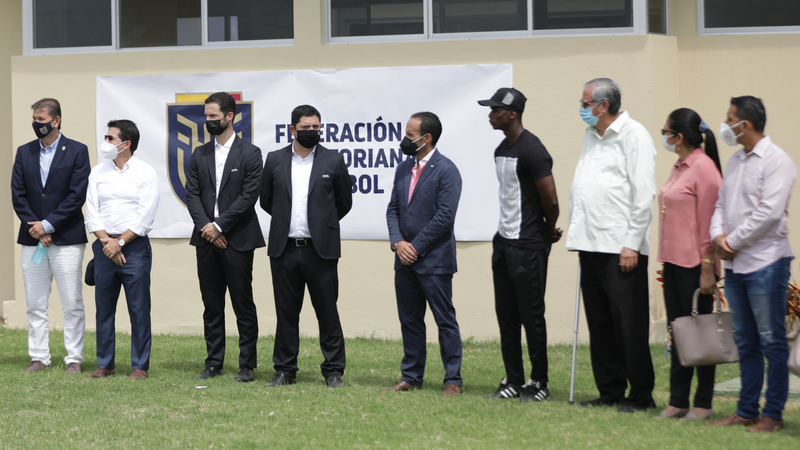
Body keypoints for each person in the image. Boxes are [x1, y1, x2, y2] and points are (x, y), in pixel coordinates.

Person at [565, 78, 657, 412]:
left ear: (603, 106)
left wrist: (632, 243)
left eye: (585, 103)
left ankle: (641, 395)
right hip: (590, 243)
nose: (582, 108)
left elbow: (644, 193)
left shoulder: (635, 135)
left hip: (621, 248)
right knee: (600, 323)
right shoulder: (591, 135)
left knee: (628, 324)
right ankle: (610, 390)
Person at [710, 96, 796, 433]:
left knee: (771, 340)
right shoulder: (735, 161)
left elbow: (769, 212)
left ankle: (772, 414)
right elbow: (720, 204)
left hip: (766, 263)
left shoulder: (777, 161)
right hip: (735, 266)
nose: (725, 124)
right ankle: (746, 410)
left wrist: (731, 241)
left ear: (743, 124)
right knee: (745, 340)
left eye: (728, 118)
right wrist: (719, 237)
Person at [259, 105, 353, 388]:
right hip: (284, 250)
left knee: (327, 311)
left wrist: (322, 223)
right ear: (292, 129)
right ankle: (285, 370)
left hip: (320, 250)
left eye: (316, 127)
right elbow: (266, 200)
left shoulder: (333, 160)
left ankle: (334, 370)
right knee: (286, 312)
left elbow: (343, 202)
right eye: (306, 127)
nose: (312, 132)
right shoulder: (275, 160)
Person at [477, 88, 561, 402]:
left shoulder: (533, 150)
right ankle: (513, 378)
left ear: (512, 114)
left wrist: (549, 229)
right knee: (507, 314)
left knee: (531, 315)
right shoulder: (501, 149)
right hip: (504, 243)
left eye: (495, 109)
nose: (490, 114)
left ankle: (539, 381)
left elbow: (550, 200)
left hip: (528, 246)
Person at [185, 92, 265, 383]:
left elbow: (248, 197)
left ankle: (247, 365)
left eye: (213, 117)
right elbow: (191, 193)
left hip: (238, 239)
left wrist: (219, 226)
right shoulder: (199, 154)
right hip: (205, 239)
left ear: (229, 116)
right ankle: (213, 362)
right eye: (206, 116)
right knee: (212, 304)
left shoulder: (251, 153)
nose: (208, 121)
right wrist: (207, 227)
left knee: (243, 303)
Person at [383, 112, 464, 397]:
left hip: (434, 261)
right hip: (403, 260)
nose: (404, 139)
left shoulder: (446, 170)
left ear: (425, 138)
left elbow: (444, 217)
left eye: (409, 134)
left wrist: (414, 247)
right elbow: (393, 209)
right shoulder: (403, 168)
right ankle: (411, 376)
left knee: (445, 320)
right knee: (410, 320)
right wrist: (397, 243)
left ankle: (453, 379)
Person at [11, 98, 91, 374]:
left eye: (42, 120)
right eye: (34, 119)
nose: (37, 124)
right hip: (32, 238)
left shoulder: (78, 151)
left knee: (72, 302)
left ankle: (73, 359)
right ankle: (39, 357)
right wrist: (37, 226)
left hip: (67, 238)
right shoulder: (24, 152)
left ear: (56, 121)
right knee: (34, 302)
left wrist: (48, 225)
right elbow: (18, 194)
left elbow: (77, 195)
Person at [656, 108, 723, 420]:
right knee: (679, 332)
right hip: (673, 264)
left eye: (666, 132)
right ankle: (677, 400)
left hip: (696, 267)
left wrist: (708, 269)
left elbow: (711, 222)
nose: (664, 137)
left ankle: (703, 403)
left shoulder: (704, 169)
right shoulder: (679, 166)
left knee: (701, 334)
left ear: (678, 137)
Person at [84, 119, 160, 380]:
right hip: (104, 248)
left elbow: (145, 217)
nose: (105, 142)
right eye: (105, 137)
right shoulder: (98, 172)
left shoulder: (146, 173)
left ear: (126, 144)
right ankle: (105, 364)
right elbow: (92, 211)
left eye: (110, 138)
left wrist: (121, 242)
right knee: (104, 308)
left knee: (139, 309)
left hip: (135, 249)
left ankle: (140, 366)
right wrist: (107, 241)